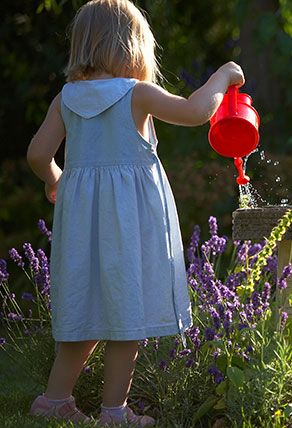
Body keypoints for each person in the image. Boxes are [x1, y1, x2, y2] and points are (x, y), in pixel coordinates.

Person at [26, 0, 245, 425]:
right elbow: (196, 111)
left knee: (85, 311)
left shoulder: (67, 99)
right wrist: (224, 74)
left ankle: (54, 400)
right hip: (128, 227)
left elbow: (37, 153)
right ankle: (114, 412)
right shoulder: (136, 93)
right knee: (128, 317)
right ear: (133, 47)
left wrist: (55, 179)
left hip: (81, 230)